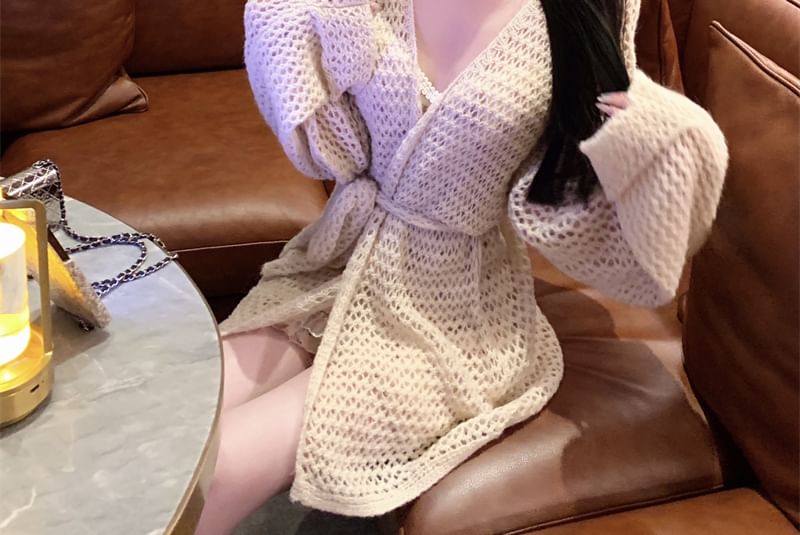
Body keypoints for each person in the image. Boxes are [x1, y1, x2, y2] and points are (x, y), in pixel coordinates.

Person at [196, 0, 729, 532]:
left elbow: (584, 201)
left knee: (219, 470)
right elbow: (332, 152)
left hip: (454, 311)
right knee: (182, 407)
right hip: (342, 258)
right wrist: (306, 31)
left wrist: (655, 136)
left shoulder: (584, 13)